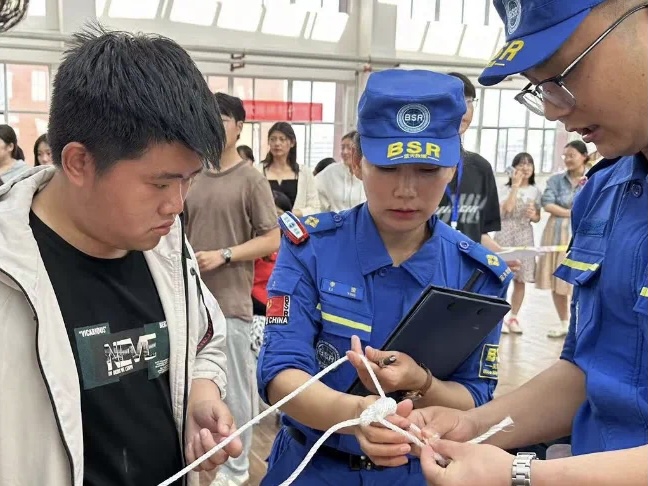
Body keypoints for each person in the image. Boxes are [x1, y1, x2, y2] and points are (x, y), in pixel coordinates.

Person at [358, 2, 648, 484]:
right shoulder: (606, 192)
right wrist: (474, 425)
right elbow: (589, 374)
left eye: (562, 75)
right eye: (539, 89)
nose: (556, 110)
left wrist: (522, 474)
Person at [0, 25, 242, 486]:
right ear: (78, 163)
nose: (177, 204)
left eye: (188, 180)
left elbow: (205, 337)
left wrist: (199, 394)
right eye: (159, 183)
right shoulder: (10, 274)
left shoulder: (166, 247)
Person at [256, 69, 513, 486]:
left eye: (428, 169)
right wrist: (355, 416)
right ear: (356, 162)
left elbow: (475, 396)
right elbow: (281, 371)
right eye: (389, 167)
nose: (407, 190)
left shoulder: (477, 274)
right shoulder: (312, 249)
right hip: (310, 468)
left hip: (419, 474)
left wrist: (421, 382)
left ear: (453, 169)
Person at [184, 92, 280, 486]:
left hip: (233, 305)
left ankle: (238, 470)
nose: (214, 125)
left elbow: (272, 238)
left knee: (237, 391)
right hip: (188, 303)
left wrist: (224, 254)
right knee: (192, 390)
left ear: (240, 126)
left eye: (223, 119)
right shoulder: (191, 174)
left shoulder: (251, 180)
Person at [536, 141, 589, 338]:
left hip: (584, 233)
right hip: (557, 232)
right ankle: (564, 322)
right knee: (559, 278)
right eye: (564, 155)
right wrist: (572, 213)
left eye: (571, 155)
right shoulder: (556, 180)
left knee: (582, 279)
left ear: (584, 156)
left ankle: (581, 324)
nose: (567, 159)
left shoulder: (593, 177)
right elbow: (547, 203)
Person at [494, 152, 542, 334]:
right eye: (521, 164)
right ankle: (498, 317)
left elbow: (537, 218)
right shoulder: (503, 188)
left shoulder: (535, 190)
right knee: (503, 276)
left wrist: (534, 215)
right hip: (505, 233)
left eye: (529, 164)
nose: (526, 167)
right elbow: (505, 210)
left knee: (521, 279)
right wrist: (514, 187)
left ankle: (514, 317)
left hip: (525, 234)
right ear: (514, 168)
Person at [257, 121, 319, 216]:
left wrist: (290, 214)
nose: (277, 143)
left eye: (282, 139)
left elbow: (315, 208)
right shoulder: (257, 171)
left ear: (292, 143)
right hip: (265, 228)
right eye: (273, 139)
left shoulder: (304, 172)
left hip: (296, 228)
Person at [316, 131, 366, 211]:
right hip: (336, 221)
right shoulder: (331, 171)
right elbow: (313, 188)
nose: (345, 152)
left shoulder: (368, 172)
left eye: (349, 148)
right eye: (342, 148)